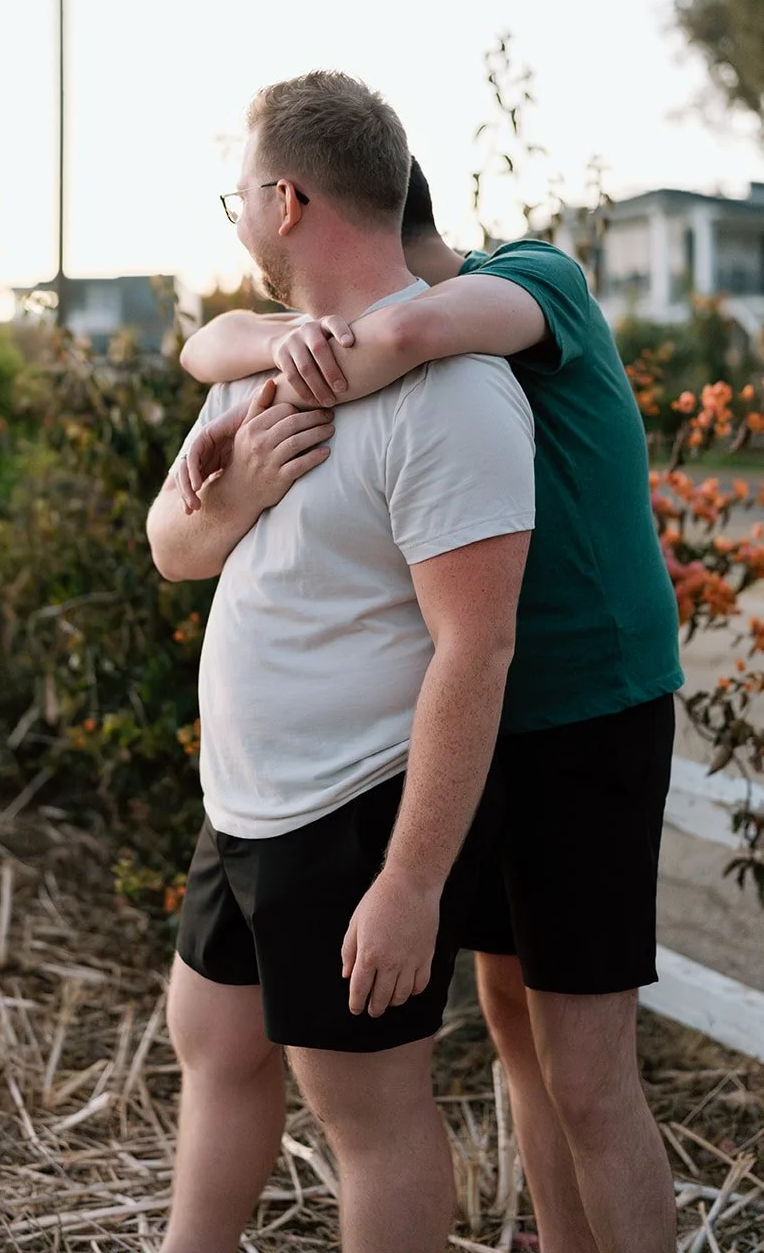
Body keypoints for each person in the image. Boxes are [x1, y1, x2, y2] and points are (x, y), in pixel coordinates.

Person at [177, 155, 683, 1253]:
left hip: (584, 711)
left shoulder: (530, 279)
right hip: (469, 728)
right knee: (512, 1029)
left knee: (589, 1074)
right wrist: (270, 343)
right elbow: (203, 343)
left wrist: (289, 358)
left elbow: (400, 337)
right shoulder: (343, 327)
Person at [147, 71, 535, 1253]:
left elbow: (477, 647)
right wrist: (242, 494)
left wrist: (411, 881)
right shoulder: (257, 368)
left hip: (353, 810)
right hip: (244, 803)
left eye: (238, 198)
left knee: (364, 1112)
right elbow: (172, 546)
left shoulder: (453, 395)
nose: (237, 221)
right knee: (210, 1044)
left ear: (285, 198)